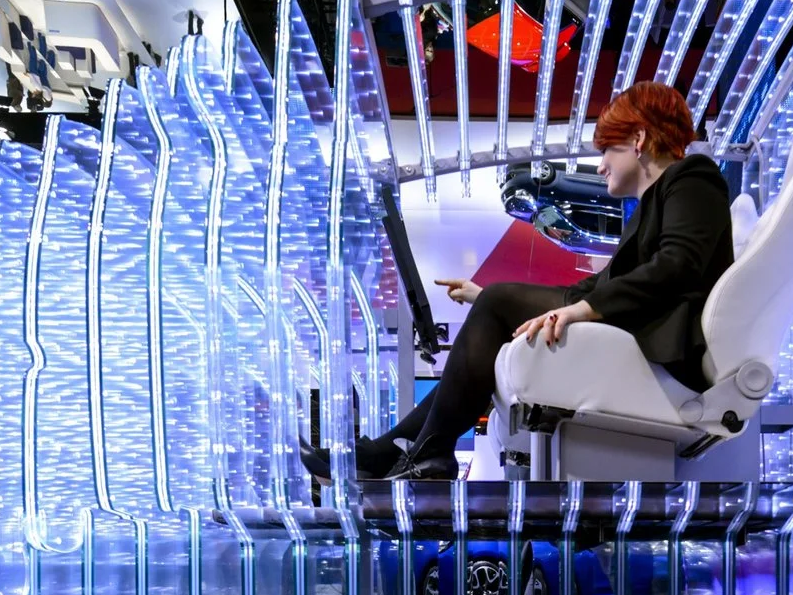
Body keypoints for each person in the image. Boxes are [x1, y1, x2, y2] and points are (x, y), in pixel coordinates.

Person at [305, 80, 734, 483]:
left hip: (664, 343)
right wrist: (487, 298)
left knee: (498, 301)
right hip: (641, 325)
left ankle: (420, 453)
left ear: (638, 140)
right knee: (496, 301)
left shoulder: (693, 177)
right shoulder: (652, 203)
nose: (601, 165)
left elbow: (676, 266)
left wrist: (578, 309)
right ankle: (403, 450)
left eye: (607, 149)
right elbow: (605, 284)